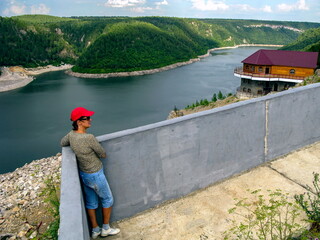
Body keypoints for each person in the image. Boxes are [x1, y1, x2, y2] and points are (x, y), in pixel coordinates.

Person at [60, 107, 120, 239]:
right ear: (79, 122)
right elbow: (102, 154)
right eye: (87, 118)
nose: (90, 120)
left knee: (91, 203)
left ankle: (95, 229)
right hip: (96, 174)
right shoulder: (89, 138)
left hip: (84, 175)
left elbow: (62, 143)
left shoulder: (71, 135)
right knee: (107, 199)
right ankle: (105, 229)